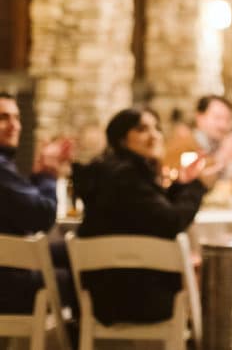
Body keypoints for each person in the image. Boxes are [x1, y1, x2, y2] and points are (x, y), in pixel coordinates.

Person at [72, 107, 219, 325]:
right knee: (213, 271)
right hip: (132, 297)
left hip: (104, 292)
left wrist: (181, 185)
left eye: (156, 128)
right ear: (122, 139)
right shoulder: (125, 177)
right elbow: (171, 222)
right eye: (142, 129)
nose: (154, 135)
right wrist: (198, 187)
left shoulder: (115, 172)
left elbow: (150, 210)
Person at [0, 93, 76, 316]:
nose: (14, 125)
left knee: (74, 250)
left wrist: (38, 177)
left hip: (10, 268)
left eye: (17, 117)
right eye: (4, 118)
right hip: (7, 283)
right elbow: (41, 216)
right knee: (85, 277)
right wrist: (48, 174)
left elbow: (19, 208)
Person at [163, 94, 232, 177]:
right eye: (217, 118)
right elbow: (181, 180)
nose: (223, 125)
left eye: (228, 119)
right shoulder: (183, 144)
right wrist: (222, 155)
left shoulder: (216, 145)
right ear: (199, 117)